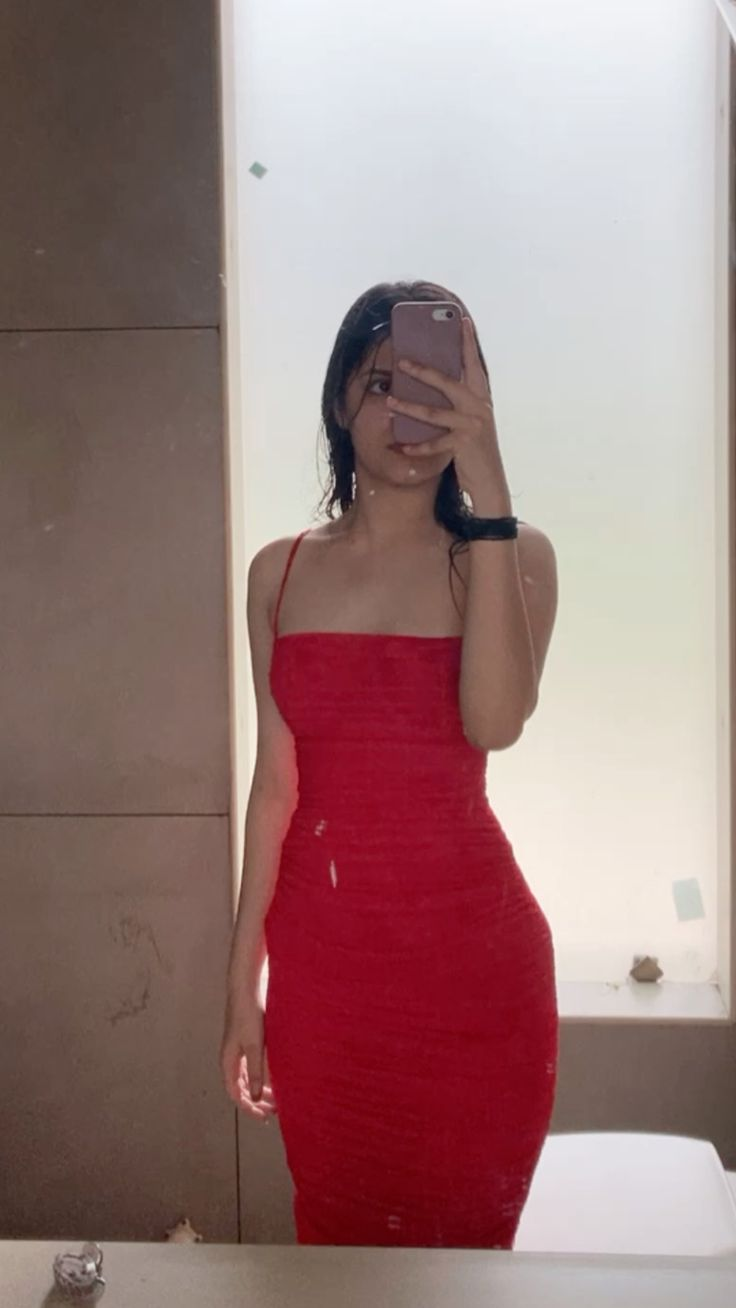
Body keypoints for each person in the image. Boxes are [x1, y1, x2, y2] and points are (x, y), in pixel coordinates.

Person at [220, 280, 559, 1248]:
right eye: (381, 384)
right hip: (324, 989)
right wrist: (240, 988)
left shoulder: (514, 556)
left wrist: (491, 497)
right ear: (338, 402)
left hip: (476, 982)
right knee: (334, 1256)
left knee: (465, 1269)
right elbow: (275, 790)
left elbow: (494, 724)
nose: (409, 413)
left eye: (437, 387)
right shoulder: (278, 573)